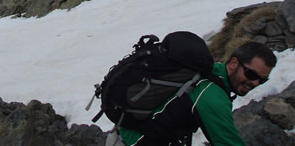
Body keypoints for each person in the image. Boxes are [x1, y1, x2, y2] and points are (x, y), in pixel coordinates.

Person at [114, 41, 277, 146]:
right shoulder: (212, 96)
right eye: (251, 75)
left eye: (262, 80)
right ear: (234, 63)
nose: (255, 83)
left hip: (126, 136)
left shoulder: (212, 72)